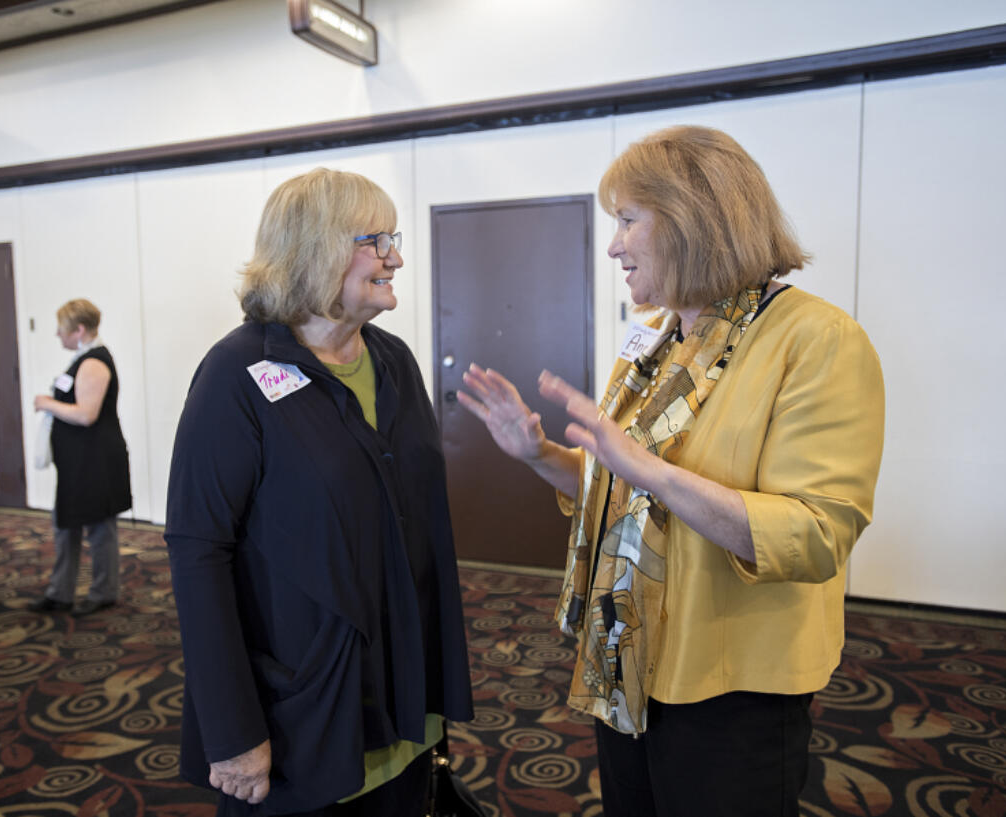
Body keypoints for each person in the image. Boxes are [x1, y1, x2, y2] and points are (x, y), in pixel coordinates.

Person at [458, 125, 885, 816]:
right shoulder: (659, 340)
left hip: (730, 684)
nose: (614, 244)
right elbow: (615, 486)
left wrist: (649, 470)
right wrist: (538, 451)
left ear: (693, 218)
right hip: (626, 654)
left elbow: (813, 534)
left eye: (628, 219)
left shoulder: (817, 340)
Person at [164, 168, 474, 816]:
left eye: (394, 237)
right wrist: (232, 729)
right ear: (311, 248)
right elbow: (199, 552)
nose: (395, 257)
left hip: (401, 703)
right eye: (374, 239)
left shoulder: (393, 361)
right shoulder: (236, 373)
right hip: (299, 715)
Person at [27, 299, 132, 618]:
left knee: (100, 527)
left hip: (95, 459)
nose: (57, 335)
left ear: (79, 329)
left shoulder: (93, 362)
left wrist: (46, 403)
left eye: (62, 328)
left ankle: (104, 592)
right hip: (78, 461)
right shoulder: (82, 358)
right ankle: (60, 592)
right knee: (66, 522)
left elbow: (87, 415)